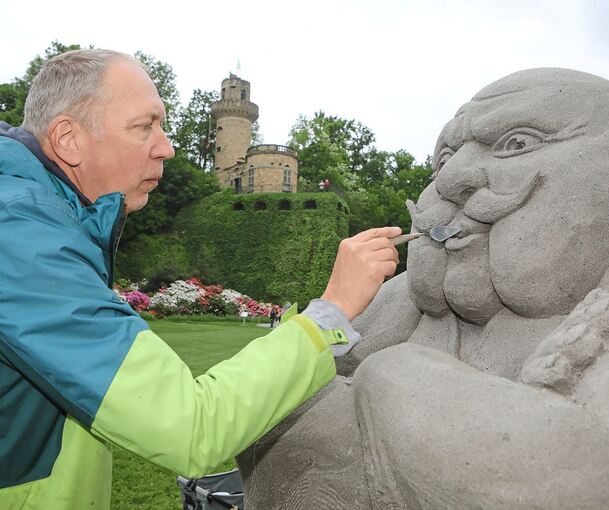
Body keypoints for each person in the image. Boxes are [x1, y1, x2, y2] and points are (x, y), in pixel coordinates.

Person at [0, 49, 401, 509]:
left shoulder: (44, 220)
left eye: (163, 125)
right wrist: (332, 310)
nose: (167, 147)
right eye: (143, 126)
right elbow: (192, 425)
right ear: (68, 139)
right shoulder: (18, 236)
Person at [238, 68, 609, 509]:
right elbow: (254, 395)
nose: (450, 180)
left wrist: (392, 380)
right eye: (446, 158)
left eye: (517, 144)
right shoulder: (403, 301)